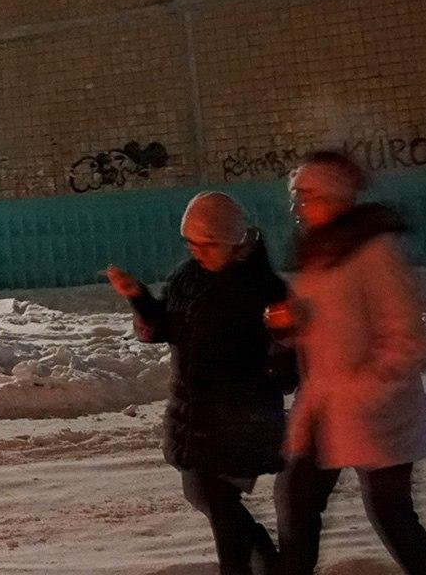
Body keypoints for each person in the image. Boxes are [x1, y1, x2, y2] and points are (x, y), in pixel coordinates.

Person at [275, 151, 426, 575]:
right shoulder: (321, 249)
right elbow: (331, 322)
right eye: (296, 198)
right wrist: (290, 322)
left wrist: (363, 390)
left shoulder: (376, 250)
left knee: (391, 513)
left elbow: (406, 337)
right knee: (297, 499)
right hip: (325, 402)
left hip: (375, 408)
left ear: (334, 197)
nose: (300, 208)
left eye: (307, 197)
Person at [107, 192, 292, 575]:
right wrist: (139, 297)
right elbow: (164, 328)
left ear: (233, 242)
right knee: (206, 497)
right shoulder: (187, 277)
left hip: (239, 419)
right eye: (192, 244)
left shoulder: (263, 289)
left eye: (207, 245)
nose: (198, 252)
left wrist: (278, 355)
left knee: (219, 503)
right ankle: (269, 564)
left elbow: (288, 362)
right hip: (194, 415)